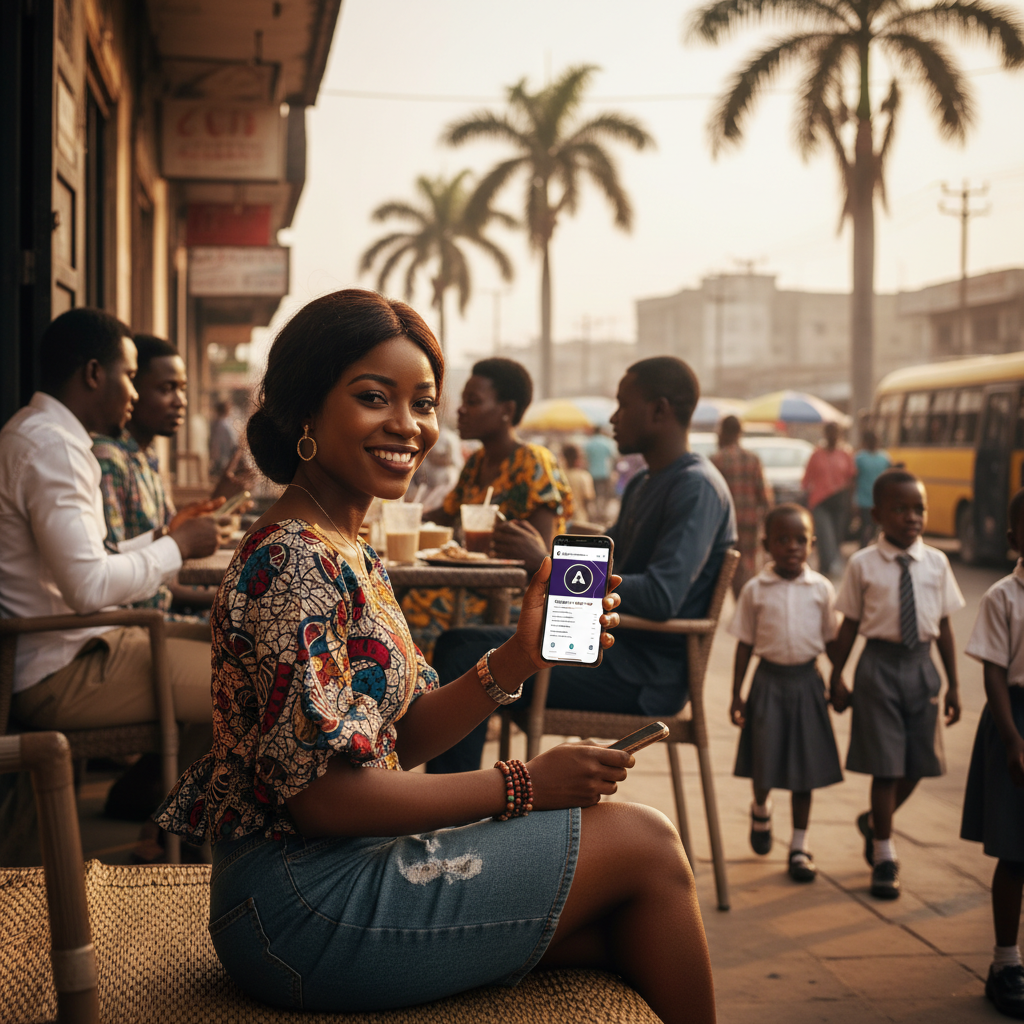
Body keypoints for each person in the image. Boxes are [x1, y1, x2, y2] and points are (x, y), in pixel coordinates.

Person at [153, 290, 717, 1024]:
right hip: (300, 905)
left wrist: (520, 654)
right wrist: (522, 783)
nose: (407, 426)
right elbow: (326, 800)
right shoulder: (290, 561)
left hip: (333, 875)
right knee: (645, 841)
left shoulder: (345, 543)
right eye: (373, 397)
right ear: (303, 413)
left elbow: (402, 737)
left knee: (631, 916)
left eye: (423, 403)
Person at [426, 355, 737, 774]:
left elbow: (663, 596)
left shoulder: (695, 487)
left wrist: (546, 562)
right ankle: (452, 805)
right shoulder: (646, 483)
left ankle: (449, 813)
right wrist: (548, 547)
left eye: (624, 405)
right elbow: (608, 559)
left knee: (466, 652)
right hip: (606, 649)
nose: (613, 417)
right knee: (459, 641)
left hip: (643, 674)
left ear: (660, 410)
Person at [0, 308, 221, 732]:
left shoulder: (35, 433)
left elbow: (89, 558)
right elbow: (89, 587)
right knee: (252, 687)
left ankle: (146, 795)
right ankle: (151, 796)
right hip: (63, 671)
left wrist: (163, 537)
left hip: (86, 644)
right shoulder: (54, 448)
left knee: (238, 650)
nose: (134, 394)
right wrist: (178, 547)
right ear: (94, 373)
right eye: (130, 376)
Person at [829, 469, 964, 900]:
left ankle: (873, 822)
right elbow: (848, 624)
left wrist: (955, 684)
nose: (912, 517)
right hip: (878, 668)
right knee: (885, 766)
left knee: (920, 763)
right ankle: (885, 855)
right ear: (877, 514)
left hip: (922, 666)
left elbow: (943, 625)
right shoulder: (862, 564)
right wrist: (837, 673)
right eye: (900, 509)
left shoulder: (938, 562)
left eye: (918, 509)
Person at [405, 357, 573, 655]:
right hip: (469, 585)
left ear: (507, 410)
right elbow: (442, 516)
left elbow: (544, 554)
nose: (460, 409)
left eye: (473, 401)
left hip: (513, 598)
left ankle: (428, 698)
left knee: (413, 609)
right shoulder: (477, 464)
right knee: (396, 596)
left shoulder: (534, 463)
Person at [729, 504, 843, 884]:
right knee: (764, 759)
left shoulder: (822, 589)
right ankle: (761, 807)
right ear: (766, 544)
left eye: (800, 540)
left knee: (805, 769)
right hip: (768, 684)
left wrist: (840, 679)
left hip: (808, 684)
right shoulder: (755, 590)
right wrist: (736, 694)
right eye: (782, 539)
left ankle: (799, 845)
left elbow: (831, 642)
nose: (792, 547)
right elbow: (744, 644)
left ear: (812, 543)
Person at [92, 334, 224, 615]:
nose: (180, 401)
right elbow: (114, 567)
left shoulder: (148, 455)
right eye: (166, 389)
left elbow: (168, 540)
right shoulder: (108, 459)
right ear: (132, 390)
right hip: (141, 621)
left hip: (165, 603)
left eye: (183, 389)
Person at [960, 486, 1024, 1020]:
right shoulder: (1003, 595)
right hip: (1016, 721)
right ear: (1012, 538)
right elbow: (995, 671)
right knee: (1015, 849)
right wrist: (1011, 738)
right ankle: (1006, 961)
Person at [711, 415, 771, 596]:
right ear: (739, 433)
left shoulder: (716, 460)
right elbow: (764, 496)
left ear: (722, 432)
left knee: (724, 570)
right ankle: (745, 606)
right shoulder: (752, 459)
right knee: (747, 568)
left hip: (723, 526)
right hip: (749, 523)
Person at [801, 421, 855, 577]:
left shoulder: (845, 454)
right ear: (825, 434)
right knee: (825, 534)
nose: (832, 436)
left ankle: (827, 566)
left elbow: (851, 479)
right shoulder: (816, 455)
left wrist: (852, 502)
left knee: (837, 536)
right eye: (829, 432)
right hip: (819, 501)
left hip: (839, 501)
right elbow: (806, 480)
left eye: (835, 432)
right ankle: (829, 567)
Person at [853, 429, 891, 548]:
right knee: (865, 526)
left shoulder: (884, 457)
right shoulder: (859, 458)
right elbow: (853, 480)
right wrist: (853, 500)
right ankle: (862, 548)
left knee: (875, 528)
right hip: (863, 500)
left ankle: (870, 547)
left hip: (879, 500)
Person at [585, 425, 618, 520]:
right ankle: (602, 512)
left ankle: (595, 513)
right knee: (604, 494)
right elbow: (613, 457)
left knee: (594, 494)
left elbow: (585, 458)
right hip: (604, 472)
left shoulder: (589, 443)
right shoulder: (606, 442)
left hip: (591, 473)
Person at [562, 442, 596, 521]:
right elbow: (588, 500)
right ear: (578, 458)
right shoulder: (584, 476)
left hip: (563, 520)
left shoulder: (559, 476)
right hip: (580, 520)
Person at [208, 399, 238, 478]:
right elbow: (233, 442)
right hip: (224, 459)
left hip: (222, 458)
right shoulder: (224, 425)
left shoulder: (219, 424)